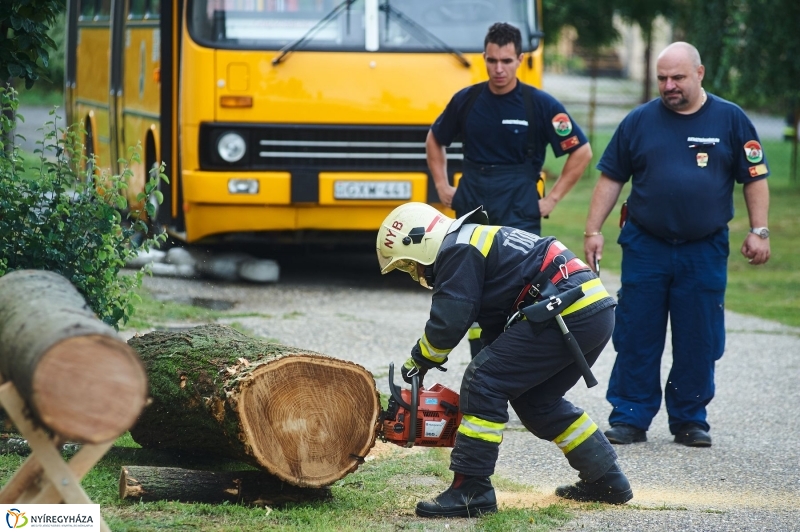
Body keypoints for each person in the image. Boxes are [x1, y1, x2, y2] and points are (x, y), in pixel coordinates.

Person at [376, 202, 633, 518]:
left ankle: (471, 489)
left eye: (409, 264)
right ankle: (607, 481)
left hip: (565, 312)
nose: (414, 272)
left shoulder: (457, 250)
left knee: (483, 383)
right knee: (538, 402)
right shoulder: (472, 240)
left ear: (420, 241)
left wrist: (421, 358)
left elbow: (450, 319)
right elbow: (496, 325)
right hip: (590, 311)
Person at [583, 42, 771, 448]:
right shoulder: (638, 122)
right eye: (662, 78)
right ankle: (630, 416)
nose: (669, 86)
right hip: (645, 245)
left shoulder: (730, 119)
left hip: (703, 248)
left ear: (699, 73)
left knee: (698, 336)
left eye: (677, 77)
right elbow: (611, 177)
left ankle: (690, 418)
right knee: (636, 333)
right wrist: (592, 230)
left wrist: (760, 230)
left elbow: (754, 176)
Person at [426, 21, 593, 358]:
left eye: (506, 61)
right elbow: (435, 140)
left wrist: (553, 198)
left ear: (520, 60)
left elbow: (582, 151)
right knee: (469, 284)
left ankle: (513, 365)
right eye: (492, 61)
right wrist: (443, 186)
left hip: (519, 205)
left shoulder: (539, 105)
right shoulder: (467, 100)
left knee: (517, 290)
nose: (498, 69)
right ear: (484, 59)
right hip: (473, 201)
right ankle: (479, 362)